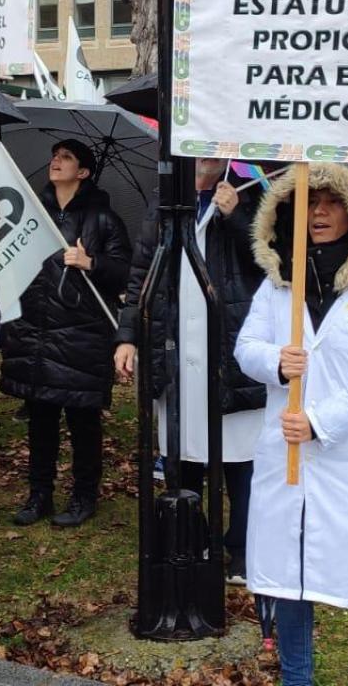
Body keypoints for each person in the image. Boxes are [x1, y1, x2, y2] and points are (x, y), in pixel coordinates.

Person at [236, 163, 348, 686]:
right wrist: (275, 361)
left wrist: (320, 421)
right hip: (288, 465)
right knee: (290, 581)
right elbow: (246, 347)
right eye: (310, 202)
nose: (318, 212)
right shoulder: (279, 284)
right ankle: (297, 679)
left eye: (332, 202)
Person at [114, 157, 265, 583]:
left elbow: (271, 263)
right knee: (182, 453)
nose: (206, 157)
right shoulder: (166, 200)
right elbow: (142, 272)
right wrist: (128, 336)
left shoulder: (253, 194)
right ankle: (190, 538)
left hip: (229, 347)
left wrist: (238, 216)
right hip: (175, 344)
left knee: (240, 456)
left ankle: (241, 548)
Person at [0, 139, 130, 529]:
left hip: (81, 336)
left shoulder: (104, 220)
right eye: (54, 155)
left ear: (84, 172)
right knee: (40, 420)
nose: (56, 161)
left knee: (82, 423)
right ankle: (39, 494)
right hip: (35, 331)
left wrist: (92, 262)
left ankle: (83, 496)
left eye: (67, 157)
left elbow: (128, 272)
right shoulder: (32, 213)